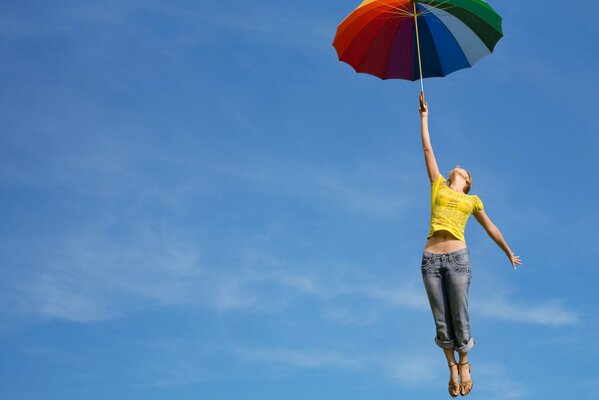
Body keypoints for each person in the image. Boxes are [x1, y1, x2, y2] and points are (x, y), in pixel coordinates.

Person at [418, 92, 522, 397]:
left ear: (467, 181)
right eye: (457, 168)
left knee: (459, 316)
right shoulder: (438, 183)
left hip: (457, 259)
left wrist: (507, 252)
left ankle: (464, 362)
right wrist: (424, 116)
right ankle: (451, 367)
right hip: (430, 260)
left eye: (463, 170)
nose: (457, 167)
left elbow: (490, 227)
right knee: (441, 319)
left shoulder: (471, 200)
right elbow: (427, 148)